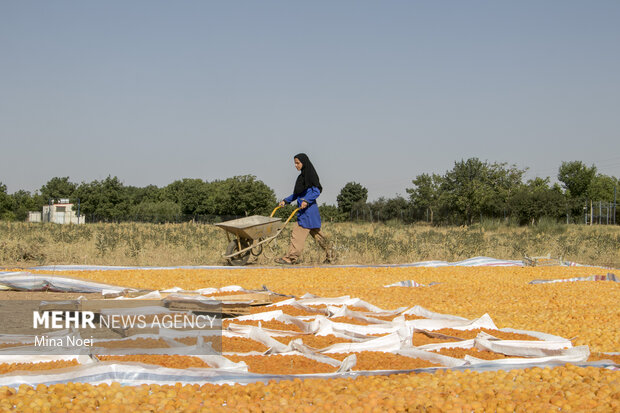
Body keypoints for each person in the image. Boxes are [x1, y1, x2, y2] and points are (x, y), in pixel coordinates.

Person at [275, 153, 335, 265]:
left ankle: (291, 258)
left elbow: (316, 191)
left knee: (297, 234)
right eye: (295, 163)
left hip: (308, 213)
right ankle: (332, 256)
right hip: (306, 213)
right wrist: (286, 201)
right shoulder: (301, 178)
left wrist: (306, 201)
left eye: (297, 163)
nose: (295, 165)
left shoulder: (311, 176)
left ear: (304, 163)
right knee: (318, 236)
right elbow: (297, 194)